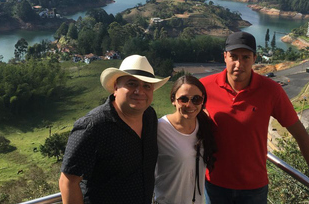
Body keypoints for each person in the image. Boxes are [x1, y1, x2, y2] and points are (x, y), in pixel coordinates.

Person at [200, 31, 309, 204]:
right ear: (225, 56)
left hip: (253, 189)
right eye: (233, 56)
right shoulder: (205, 87)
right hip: (215, 185)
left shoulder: (271, 91)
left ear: (254, 59)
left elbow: (302, 136)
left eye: (245, 57)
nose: (238, 64)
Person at [59, 55, 170, 204]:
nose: (139, 91)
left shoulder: (149, 116)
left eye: (147, 86)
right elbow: (68, 182)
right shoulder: (93, 127)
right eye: (132, 83)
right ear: (116, 87)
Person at [154, 75, 216, 204]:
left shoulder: (204, 126)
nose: (190, 105)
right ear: (173, 100)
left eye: (196, 99)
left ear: (203, 100)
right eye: (183, 99)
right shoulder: (159, 129)